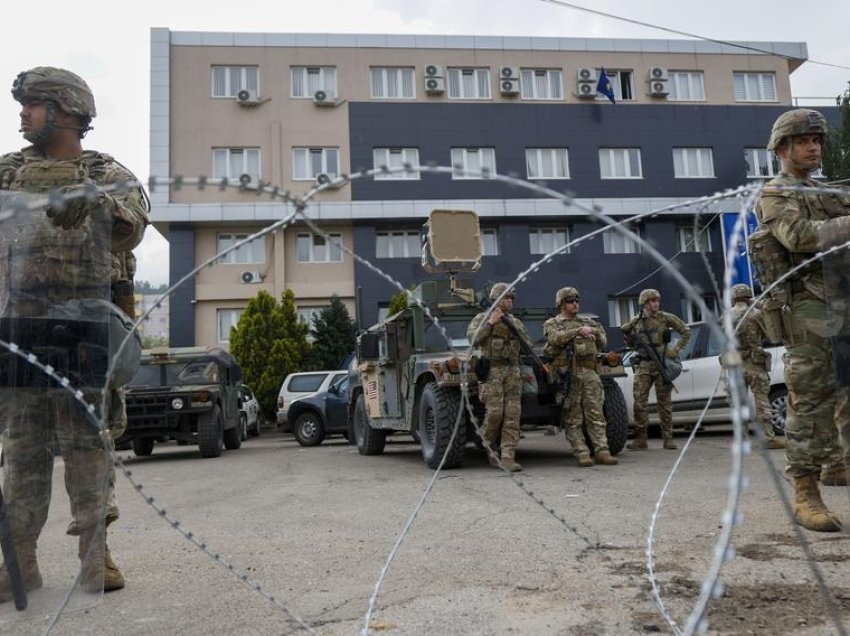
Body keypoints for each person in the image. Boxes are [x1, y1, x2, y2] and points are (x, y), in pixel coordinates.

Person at [0, 66, 149, 601]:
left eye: (33, 104)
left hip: (84, 327)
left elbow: (132, 227)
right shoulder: (9, 172)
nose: (23, 113)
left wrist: (100, 203)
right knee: (22, 450)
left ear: (65, 109)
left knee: (88, 445)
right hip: (19, 326)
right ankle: (18, 561)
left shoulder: (105, 170)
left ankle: (95, 555)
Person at [752, 108, 850, 532]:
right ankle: (805, 491)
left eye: (818, 140)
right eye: (805, 140)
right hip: (809, 312)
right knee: (810, 400)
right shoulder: (776, 193)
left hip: (842, 304)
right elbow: (798, 236)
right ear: (782, 148)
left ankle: (837, 464)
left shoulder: (825, 190)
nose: (814, 147)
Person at [544, 287, 617, 467]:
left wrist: (593, 333)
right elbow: (555, 339)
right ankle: (581, 452)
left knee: (596, 414)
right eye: (570, 301)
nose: (575, 303)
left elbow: (603, 342)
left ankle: (602, 451)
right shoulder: (553, 323)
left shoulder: (588, 321)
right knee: (573, 416)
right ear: (561, 304)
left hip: (590, 373)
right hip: (569, 375)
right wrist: (578, 332)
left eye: (577, 300)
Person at [467, 283, 534, 472]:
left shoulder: (515, 321)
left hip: (512, 371)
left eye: (512, 298)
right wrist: (490, 324)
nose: (510, 301)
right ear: (496, 299)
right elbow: (472, 339)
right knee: (495, 413)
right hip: (492, 372)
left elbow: (528, 344)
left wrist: (514, 328)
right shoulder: (482, 318)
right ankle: (488, 446)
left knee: (513, 414)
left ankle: (507, 456)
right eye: (506, 298)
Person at [621, 289, 690, 450]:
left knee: (664, 402)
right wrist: (628, 335)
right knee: (639, 402)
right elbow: (631, 345)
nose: (655, 304)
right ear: (644, 303)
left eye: (657, 300)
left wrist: (677, 349)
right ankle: (641, 438)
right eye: (652, 301)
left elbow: (685, 331)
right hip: (644, 363)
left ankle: (668, 437)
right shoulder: (635, 322)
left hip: (661, 362)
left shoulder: (665, 318)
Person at [728, 284, 785, 450]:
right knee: (762, 401)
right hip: (754, 363)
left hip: (735, 363)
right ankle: (768, 437)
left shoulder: (726, 316)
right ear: (748, 296)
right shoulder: (756, 313)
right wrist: (760, 305)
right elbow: (772, 336)